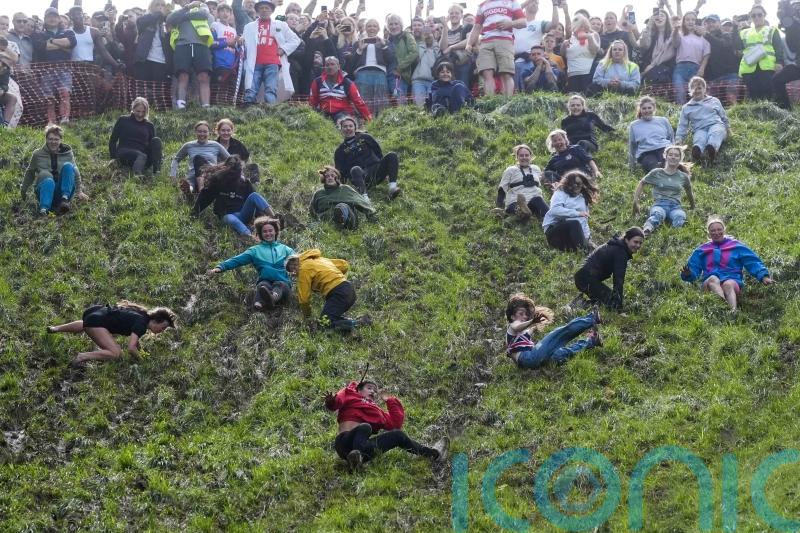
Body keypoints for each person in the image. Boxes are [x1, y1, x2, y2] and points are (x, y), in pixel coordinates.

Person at [324, 378, 449, 471]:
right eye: (369, 388)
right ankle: (356, 458)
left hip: (364, 449)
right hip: (344, 443)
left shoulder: (377, 412)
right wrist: (331, 401)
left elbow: (395, 423)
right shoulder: (349, 394)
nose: (373, 391)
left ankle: (432, 454)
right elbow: (336, 402)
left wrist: (390, 400)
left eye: (375, 390)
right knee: (365, 427)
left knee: (398, 435)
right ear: (359, 390)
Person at [681, 216, 774, 311]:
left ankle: (733, 312)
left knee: (728, 284)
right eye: (713, 231)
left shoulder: (736, 246)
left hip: (732, 283)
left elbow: (752, 261)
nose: (716, 233)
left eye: (719, 230)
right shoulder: (701, 250)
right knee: (713, 278)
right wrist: (688, 273)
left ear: (724, 230)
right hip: (709, 286)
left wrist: (763, 276)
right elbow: (693, 270)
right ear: (708, 233)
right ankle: (723, 307)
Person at [46, 300, 177, 364]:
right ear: (157, 321)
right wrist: (142, 361)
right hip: (96, 323)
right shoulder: (142, 324)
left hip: (94, 312)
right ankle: (82, 356)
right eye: (163, 327)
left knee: (87, 323)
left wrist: (141, 350)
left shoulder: (142, 315)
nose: (162, 331)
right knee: (116, 353)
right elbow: (131, 348)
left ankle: (56, 328)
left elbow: (135, 342)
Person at [209, 217, 295, 311]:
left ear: (275, 231)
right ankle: (258, 305)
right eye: (265, 231)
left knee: (280, 285)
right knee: (263, 285)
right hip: (265, 283)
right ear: (261, 234)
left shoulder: (285, 249)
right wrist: (221, 266)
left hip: (283, 288)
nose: (268, 233)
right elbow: (237, 260)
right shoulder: (254, 251)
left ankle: (271, 298)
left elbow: (298, 260)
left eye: (270, 230)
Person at [504, 293, 602, 369]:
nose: (524, 316)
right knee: (558, 334)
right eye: (521, 313)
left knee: (563, 353)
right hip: (529, 358)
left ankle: (592, 341)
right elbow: (517, 327)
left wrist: (536, 324)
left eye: (525, 314)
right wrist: (532, 321)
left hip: (529, 363)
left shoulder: (521, 333)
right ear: (512, 316)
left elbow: (527, 331)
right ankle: (592, 318)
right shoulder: (512, 326)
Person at [285, 249, 371, 332]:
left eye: (292, 268)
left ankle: (359, 323)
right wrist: (332, 277)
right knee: (329, 319)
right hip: (348, 288)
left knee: (324, 325)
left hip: (338, 293)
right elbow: (344, 265)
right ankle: (357, 321)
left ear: (296, 262)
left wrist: (307, 317)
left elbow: (304, 300)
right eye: (291, 271)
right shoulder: (319, 259)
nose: (293, 272)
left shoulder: (303, 270)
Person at [191, 155, 274, 238]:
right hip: (226, 216)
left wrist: (258, 218)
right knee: (229, 218)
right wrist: (194, 212)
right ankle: (250, 236)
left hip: (243, 214)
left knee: (254, 196)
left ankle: (274, 219)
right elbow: (205, 197)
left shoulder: (245, 183)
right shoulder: (218, 181)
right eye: (230, 165)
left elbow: (254, 202)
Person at [242, 0, 302, 105]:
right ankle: (248, 107)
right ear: (257, 11)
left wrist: (284, 49)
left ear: (271, 11)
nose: (264, 10)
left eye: (267, 8)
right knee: (252, 86)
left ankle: (271, 110)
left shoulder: (280, 25)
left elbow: (295, 39)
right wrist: (240, 40)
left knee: (271, 87)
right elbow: (244, 40)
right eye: (261, 8)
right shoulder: (249, 27)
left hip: (273, 62)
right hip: (254, 62)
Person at [22, 125, 89, 216]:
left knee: (69, 166)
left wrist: (79, 191)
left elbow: (75, 171)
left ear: (61, 140)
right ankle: (44, 210)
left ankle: (64, 200)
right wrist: (23, 190)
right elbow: (30, 172)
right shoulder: (37, 154)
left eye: (56, 139)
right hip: (44, 192)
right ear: (46, 139)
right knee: (46, 177)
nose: (53, 142)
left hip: (62, 192)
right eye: (50, 139)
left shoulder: (67, 152)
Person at [465, 0, 527, 97]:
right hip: (485, 42)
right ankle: (491, 103)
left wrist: (510, 23)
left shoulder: (512, 2)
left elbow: (523, 22)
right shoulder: (482, 5)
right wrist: (469, 43)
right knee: (486, 73)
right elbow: (477, 26)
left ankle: (507, 103)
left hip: (505, 40)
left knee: (506, 73)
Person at [573, 227, 644, 310]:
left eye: (640, 243)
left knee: (610, 300)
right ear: (627, 239)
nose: (638, 245)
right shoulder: (620, 252)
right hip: (585, 278)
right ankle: (579, 304)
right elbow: (618, 281)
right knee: (614, 304)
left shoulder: (619, 246)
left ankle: (582, 302)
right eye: (635, 242)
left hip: (585, 277)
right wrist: (619, 308)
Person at [632, 145, 695, 236]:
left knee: (680, 216)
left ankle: (674, 236)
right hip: (659, 204)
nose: (673, 157)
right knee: (657, 214)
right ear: (665, 156)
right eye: (671, 154)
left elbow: (689, 192)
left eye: (676, 155)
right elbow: (642, 182)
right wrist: (635, 201)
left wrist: (693, 206)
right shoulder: (656, 172)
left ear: (680, 158)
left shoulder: (683, 176)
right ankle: (647, 230)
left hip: (675, 206)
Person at [334, 116, 401, 200]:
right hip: (361, 177)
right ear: (341, 129)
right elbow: (341, 172)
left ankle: (392, 188)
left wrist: (383, 166)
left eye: (350, 126)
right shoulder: (340, 151)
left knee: (392, 155)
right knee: (355, 169)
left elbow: (378, 152)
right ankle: (365, 198)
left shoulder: (365, 137)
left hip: (376, 171)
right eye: (345, 126)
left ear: (355, 127)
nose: (348, 128)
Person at [166, 0, 215, 109]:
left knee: (204, 77)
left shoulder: (202, 6)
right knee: (183, 76)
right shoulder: (175, 10)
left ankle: (206, 108)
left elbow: (203, 15)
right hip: (182, 45)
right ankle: (181, 107)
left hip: (201, 44)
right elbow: (170, 19)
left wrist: (183, 16)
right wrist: (187, 8)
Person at [31, 7, 76, 124]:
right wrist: (62, 45)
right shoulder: (38, 34)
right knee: (48, 98)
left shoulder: (68, 32)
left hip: (65, 69)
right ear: (45, 19)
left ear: (59, 18)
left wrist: (50, 41)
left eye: (55, 16)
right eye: (49, 16)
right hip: (46, 70)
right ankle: (51, 121)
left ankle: (65, 119)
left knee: (64, 93)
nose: (52, 19)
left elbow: (71, 42)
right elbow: (41, 47)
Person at [675, 76, 731, 164]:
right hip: (700, 129)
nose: (696, 90)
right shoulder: (687, 107)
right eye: (693, 88)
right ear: (690, 90)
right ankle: (697, 151)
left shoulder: (714, 101)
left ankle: (712, 149)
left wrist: (728, 129)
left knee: (715, 133)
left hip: (715, 124)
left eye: (699, 88)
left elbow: (723, 116)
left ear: (704, 89)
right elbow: (682, 125)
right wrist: (679, 139)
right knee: (699, 138)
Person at [541, 170, 599, 252]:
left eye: (579, 184)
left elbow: (583, 221)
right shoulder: (560, 192)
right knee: (574, 223)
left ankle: (586, 249)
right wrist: (577, 213)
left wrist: (587, 238)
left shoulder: (582, 198)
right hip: (555, 233)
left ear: (582, 185)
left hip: (572, 237)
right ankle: (584, 251)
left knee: (578, 227)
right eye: (573, 183)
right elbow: (555, 210)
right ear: (567, 183)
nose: (575, 186)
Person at [170, 121, 231, 195]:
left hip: (210, 175)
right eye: (199, 131)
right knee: (189, 185)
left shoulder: (215, 145)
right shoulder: (189, 145)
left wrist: (223, 169)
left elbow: (231, 159)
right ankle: (190, 192)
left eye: (205, 132)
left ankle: (201, 194)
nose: (202, 134)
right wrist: (173, 175)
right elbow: (176, 159)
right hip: (192, 176)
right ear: (195, 132)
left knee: (198, 159)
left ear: (209, 133)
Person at [739, 3, 784, 101]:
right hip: (749, 68)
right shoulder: (744, 32)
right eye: (753, 15)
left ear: (765, 15)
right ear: (750, 17)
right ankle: (756, 115)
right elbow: (736, 47)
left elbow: (778, 47)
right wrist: (735, 27)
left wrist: (779, 62)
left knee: (768, 95)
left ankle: (769, 115)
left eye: (760, 14)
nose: (757, 17)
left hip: (767, 68)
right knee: (753, 96)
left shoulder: (772, 30)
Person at [308, 55, 372, 123]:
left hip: (343, 114)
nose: (330, 67)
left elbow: (359, 102)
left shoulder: (347, 83)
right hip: (324, 113)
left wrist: (369, 120)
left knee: (342, 120)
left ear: (338, 66)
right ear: (324, 67)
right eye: (327, 65)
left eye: (332, 64)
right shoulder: (317, 82)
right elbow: (312, 102)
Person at [350, 18, 394, 116]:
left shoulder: (385, 42)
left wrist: (384, 46)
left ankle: (379, 122)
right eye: (369, 26)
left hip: (379, 73)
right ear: (365, 28)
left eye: (374, 26)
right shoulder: (358, 43)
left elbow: (391, 59)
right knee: (362, 99)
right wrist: (359, 50)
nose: (372, 28)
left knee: (380, 100)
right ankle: (363, 121)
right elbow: (352, 62)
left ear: (378, 29)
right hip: (362, 73)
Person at [108, 97, 163, 177]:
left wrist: (159, 156)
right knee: (141, 155)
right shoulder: (123, 120)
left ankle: (156, 172)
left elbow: (153, 146)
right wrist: (113, 158)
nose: (140, 114)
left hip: (142, 157)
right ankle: (137, 175)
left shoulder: (149, 125)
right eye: (138, 111)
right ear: (133, 109)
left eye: (143, 112)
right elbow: (113, 140)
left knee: (156, 140)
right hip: (125, 153)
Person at [494, 144, 549, 221]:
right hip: (515, 201)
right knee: (516, 207)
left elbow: (540, 184)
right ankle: (522, 212)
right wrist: (499, 206)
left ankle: (545, 216)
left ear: (531, 156)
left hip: (532, 201)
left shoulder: (536, 168)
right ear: (517, 157)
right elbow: (502, 189)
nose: (524, 158)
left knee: (538, 199)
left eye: (526, 155)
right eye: (521, 155)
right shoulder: (510, 170)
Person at [310, 166, 376, 229]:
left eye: (332, 176)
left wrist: (372, 217)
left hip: (348, 221)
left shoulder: (345, 189)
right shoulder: (318, 194)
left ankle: (340, 224)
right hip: (326, 222)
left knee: (341, 207)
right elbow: (312, 212)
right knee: (314, 224)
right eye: (327, 176)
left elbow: (361, 203)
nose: (330, 178)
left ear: (337, 177)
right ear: (324, 179)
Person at [670, 11, 710, 105]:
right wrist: (675, 29)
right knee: (680, 91)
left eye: (693, 19)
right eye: (687, 19)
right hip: (680, 68)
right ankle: (680, 114)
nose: (690, 22)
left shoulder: (702, 38)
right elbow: (675, 43)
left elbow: (706, 54)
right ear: (683, 21)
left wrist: (702, 68)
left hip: (696, 68)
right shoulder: (680, 34)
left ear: (696, 22)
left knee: (696, 93)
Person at [702, 14, 743, 105]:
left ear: (719, 24)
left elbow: (722, 45)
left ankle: (735, 118)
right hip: (712, 78)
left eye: (713, 22)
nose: (711, 24)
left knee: (731, 99)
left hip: (730, 75)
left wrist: (706, 35)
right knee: (710, 104)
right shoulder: (703, 39)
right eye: (708, 22)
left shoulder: (726, 35)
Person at [627, 95, 675, 173]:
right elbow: (632, 146)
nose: (647, 110)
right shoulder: (634, 125)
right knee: (653, 168)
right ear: (640, 110)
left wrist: (674, 151)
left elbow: (671, 138)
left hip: (664, 149)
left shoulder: (663, 120)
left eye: (649, 108)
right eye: (644, 108)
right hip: (646, 153)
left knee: (669, 165)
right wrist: (632, 165)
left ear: (654, 108)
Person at [134, 0, 172, 83]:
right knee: (142, 92)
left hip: (161, 62)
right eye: (157, 5)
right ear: (151, 7)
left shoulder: (167, 22)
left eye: (163, 5)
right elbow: (140, 22)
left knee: (158, 92)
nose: (160, 7)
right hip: (144, 60)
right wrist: (160, 13)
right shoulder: (145, 19)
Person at [561, 15, 600, 93]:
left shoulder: (592, 36)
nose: (582, 28)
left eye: (584, 26)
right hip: (572, 74)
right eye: (580, 26)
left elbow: (594, 51)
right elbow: (563, 55)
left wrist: (589, 37)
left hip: (587, 73)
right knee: (573, 96)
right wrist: (563, 46)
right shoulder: (569, 40)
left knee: (586, 96)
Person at [773, 0, 800, 109]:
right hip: (797, 65)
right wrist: (784, 10)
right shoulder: (793, 24)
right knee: (776, 80)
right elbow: (792, 45)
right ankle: (787, 112)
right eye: (796, 7)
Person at [439, 3, 474, 86]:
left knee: (462, 87)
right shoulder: (446, 31)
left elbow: (469, 41)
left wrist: (451, 47)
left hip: (463, 64)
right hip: (448, 66)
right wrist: (444, 27)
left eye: (457, 13)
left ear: (461, 15)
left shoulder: (467, 27)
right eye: (451, 13)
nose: (454, 15)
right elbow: (443, 48)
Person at [385, 14, 417, 105]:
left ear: (401, 25)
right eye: (391, 24)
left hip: (400, 75)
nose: (394, 26)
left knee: (400, 102)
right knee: (390, 104)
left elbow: (414, 52)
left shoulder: (407, 35)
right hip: (387, 75)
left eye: (396, 24)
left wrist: (399, 68)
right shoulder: (387, 40)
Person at [638, 8, 675, 86]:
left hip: (664, 68)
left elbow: (668, 54)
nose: (659, 17)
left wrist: (652, 65)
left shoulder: (672, 34)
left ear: (667, 19)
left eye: (662, 15)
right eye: (657, 16)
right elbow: (643, 45)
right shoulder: (649, 33)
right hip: (647, 67)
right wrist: (649, 25)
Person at [411, 26, 441, 105]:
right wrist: (423, 43)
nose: (427, 36)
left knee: (432, 104)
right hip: (418, 81)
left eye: (430, 34)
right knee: (419, 106)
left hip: (433, 81)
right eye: (425, 34)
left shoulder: (436, 47)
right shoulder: (417, 46)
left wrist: (435, 44)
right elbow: (417, 59)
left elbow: (439, 61)